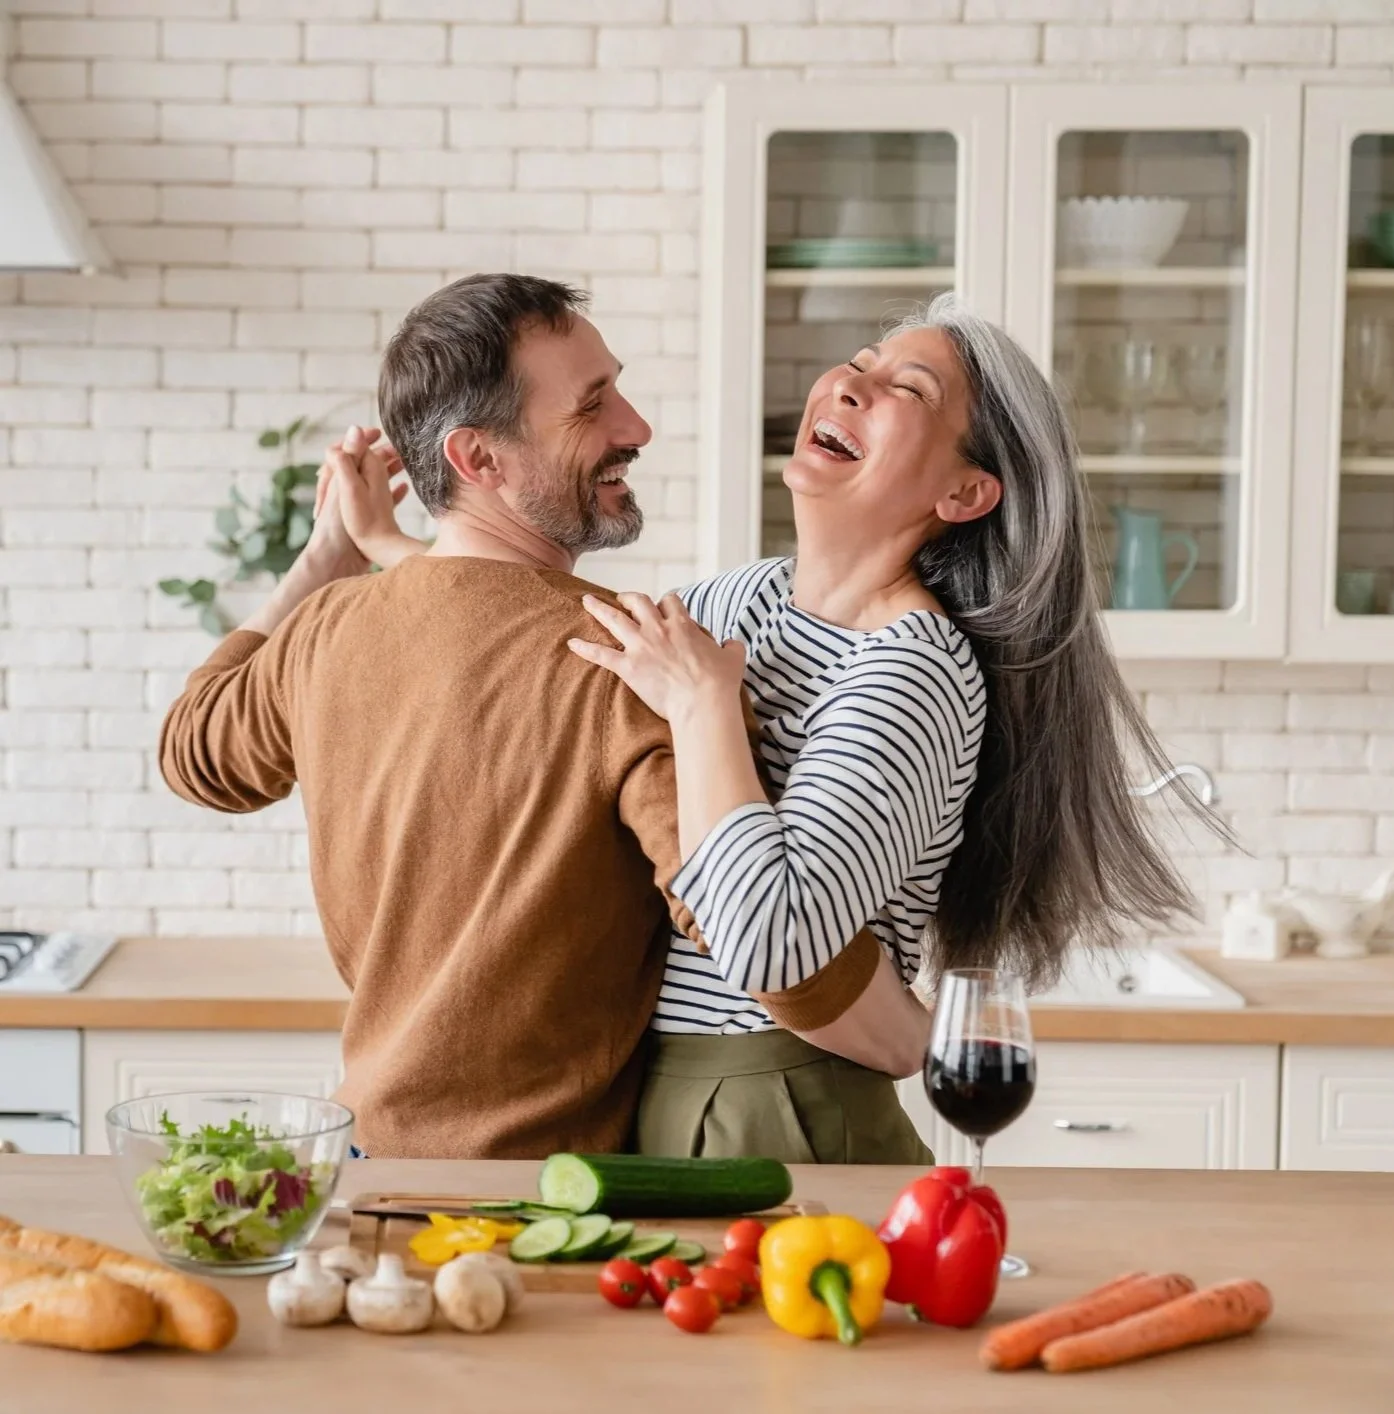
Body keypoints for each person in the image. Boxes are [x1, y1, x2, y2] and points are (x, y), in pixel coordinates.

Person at [339, 289, 1199, 1164]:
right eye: (858, 364)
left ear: (966, 490)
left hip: (784, 1103)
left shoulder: (912, 669)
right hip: (658, 1095)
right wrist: (390, 547)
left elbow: (773, 943)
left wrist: (707, 708)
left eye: (909, 389)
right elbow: (548, 635)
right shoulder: (741, 600)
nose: (849, 387)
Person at [159, 273, 913, 1161]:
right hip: (539, 1201)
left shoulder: (325, 630)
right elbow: (769, 946)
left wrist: (324, 558)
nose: (635, 427)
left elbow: (193, 752)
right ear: (479, 461)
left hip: (365, 1166)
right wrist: (924, 1042)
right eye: (592, 408)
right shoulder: (627, 664)